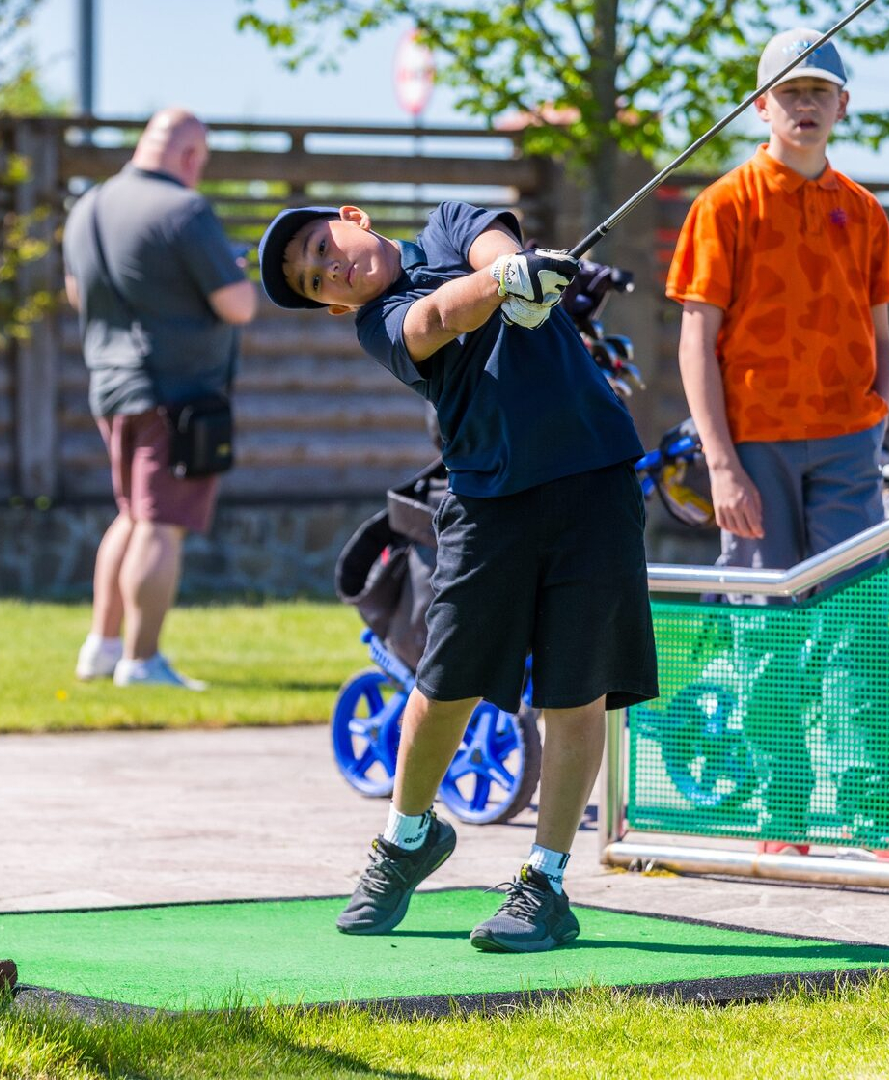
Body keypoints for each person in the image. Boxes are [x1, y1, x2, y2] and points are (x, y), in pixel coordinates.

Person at [258, 201, 658, 953]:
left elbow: (487, 246)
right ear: (333, 306)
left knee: (577, 688)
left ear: (353, 217)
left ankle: (543, 884)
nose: (330, 268)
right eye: (317, 281)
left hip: (593, 478)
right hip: (487, 500)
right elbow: (440, 314)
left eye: (322, 246)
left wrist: (510, 268)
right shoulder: (377, 323)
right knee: (444, 685)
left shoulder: (447, 224)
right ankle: (407, 838)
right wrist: (508, 284)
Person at [663, 29, 889, 851]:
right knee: (767, 636)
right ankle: (784, 812)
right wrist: (721, 466)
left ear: (842, 106)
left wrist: (874, 420)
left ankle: (873, 812)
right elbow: (696, 341)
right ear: (759, 107)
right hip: (753, 451)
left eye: (819, 92)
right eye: (789, 93)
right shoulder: (722, 206)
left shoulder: (864, 213)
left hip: (845, 448)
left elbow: (881, 335)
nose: (804, 106)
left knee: (857, 631)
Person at [63, 109, 257, 689]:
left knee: (132, 516)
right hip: (176, 392)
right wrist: (235, 274)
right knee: (161, 524)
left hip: (111, 385)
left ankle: (103, 647)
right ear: (191, 156)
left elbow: (77, 292)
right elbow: (238, 305)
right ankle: (142, 661)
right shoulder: (185, 211)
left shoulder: (87, 207)